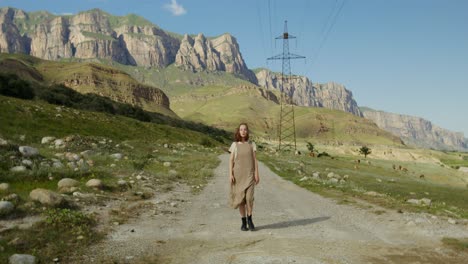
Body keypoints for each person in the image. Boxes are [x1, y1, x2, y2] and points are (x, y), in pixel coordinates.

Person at [229, 123, 260, 231]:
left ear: (247, 131)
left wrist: (257, 174)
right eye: (241, 129)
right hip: (238, 176)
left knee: (249, 199)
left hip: (250, 176)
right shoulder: (234, 145)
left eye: (245, 129)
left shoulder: (252, 144)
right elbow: (231, 161)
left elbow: (255, 160)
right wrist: (230, 174)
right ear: (238, 131)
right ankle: (243, 222)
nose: (243, 131)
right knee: (241, 200)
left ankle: (250, 219)